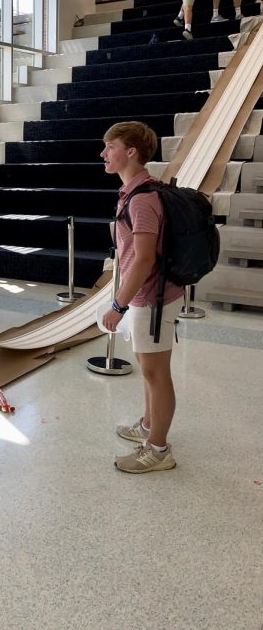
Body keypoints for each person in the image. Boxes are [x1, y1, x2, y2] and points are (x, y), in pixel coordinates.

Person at [100, 122, 184, 474]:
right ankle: (150, 426)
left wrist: (118, 304)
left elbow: (145, 258)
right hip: (149, 297)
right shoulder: (135, 193)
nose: (104, 154)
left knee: (155, 372)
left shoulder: (142, 199)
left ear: (131, 152)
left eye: (110, 146)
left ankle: (159, 450)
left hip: (153, 299)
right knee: (149, 371)